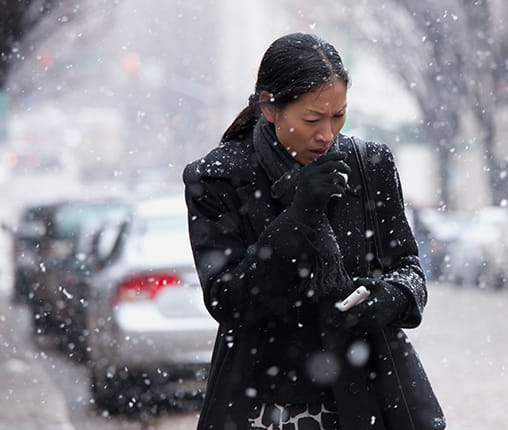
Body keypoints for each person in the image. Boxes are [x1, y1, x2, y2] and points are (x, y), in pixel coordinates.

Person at [183, 33, 444, 430]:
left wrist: (390, 297)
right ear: (269, 108)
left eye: (338, 116)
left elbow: (408, 267)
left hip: (365, 395)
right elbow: (227, 299)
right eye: (311, 119)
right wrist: (301, 215)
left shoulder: (368, 165)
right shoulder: (218, 177)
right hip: (262, 402)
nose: (327, 134)